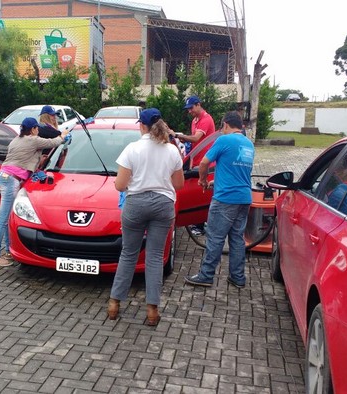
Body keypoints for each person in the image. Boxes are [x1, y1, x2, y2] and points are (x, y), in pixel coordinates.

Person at [108, 108, 184, 326]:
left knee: (128, 254)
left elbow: (120, 185)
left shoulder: (132, 149)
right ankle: (152, 310)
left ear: (141, 126)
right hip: (163, 205)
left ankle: (114, 304)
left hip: (136, 204)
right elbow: (178, 184)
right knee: (154, 256)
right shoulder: (171, 151)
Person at [185, 111, 254, 289]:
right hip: (244, 198)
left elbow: (203, 163)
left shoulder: (224, 140)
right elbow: (236, 172)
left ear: (225, 125)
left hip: (225, 199)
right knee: (237, 239)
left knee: (215, 237)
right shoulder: (248, 144)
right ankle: (237, 277)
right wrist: (215, 181)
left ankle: (206, 275)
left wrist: (201, 180)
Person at [0, 117, 68, 267]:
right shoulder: (33, 140)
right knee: (3, 219)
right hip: (11, 180)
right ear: (32, 130)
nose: (38, 131)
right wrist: (63, 135)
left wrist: (39, 162)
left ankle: (8, 251)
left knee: (8, 218)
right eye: (36, 128)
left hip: (2, 177)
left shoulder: (16, 140)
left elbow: (23, 159)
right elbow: (54, 142)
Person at [177, 95, 216, 237]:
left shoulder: (206, 119)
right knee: (198, 190)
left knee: (203, 190)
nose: (190, 111)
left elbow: (196, 138)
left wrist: (178, 135)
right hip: (197, 160)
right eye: (188, 109)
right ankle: (198, 221)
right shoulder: (195, 120)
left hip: (206, 161)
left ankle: (200, 223)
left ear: (198, 104)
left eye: (191, 108)